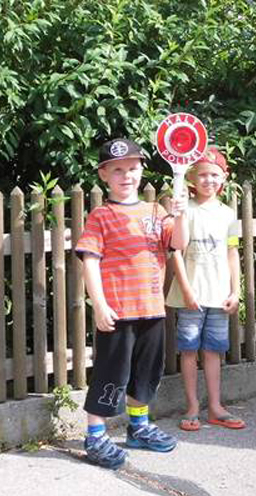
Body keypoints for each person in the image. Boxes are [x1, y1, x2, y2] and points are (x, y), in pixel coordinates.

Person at [76, 138, 189, 469]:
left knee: (145, 375)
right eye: (118, 170)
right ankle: (95, 437)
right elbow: (90, 262)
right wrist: (98, 304)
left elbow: (178, 243)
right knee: (111, 375)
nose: (127, 175)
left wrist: (180, 216)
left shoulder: (157, 211)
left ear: (141, 171)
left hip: (152, 310)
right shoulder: (101, 216)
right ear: (104, 175)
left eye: (133, 168)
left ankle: (139, 427)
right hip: (118, 313)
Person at [166, 147, 245, 432]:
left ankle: (215, 406)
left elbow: (232, 253)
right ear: (191, 178)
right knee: (189, 351)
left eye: (215, 174)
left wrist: (235, 292)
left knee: (213, 351)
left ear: (223, 178)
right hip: (191, 296)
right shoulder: (183, 210)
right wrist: (186, 291)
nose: (209, 180)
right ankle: (192, 406)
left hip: (218, 295)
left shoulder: (228, 213)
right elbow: (175, 250)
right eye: (203, 174)